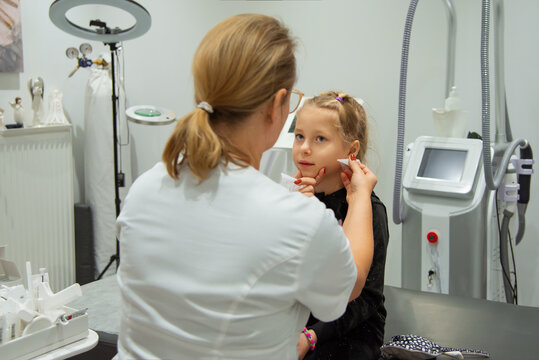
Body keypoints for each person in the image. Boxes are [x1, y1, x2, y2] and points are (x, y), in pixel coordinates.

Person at [116, 14, 377, 359]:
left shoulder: (145, 188)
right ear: (275, 106)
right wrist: (360, 198)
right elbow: (354, 282)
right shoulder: (297, 219)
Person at [292, 92, 389, 360]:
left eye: (319, 139)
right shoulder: (296, 199)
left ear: (351, 151)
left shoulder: (368, 210)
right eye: (299, 136)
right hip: (301, 320)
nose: (304, 148)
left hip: (350, 331)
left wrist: (312, 336)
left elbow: (366, 298)